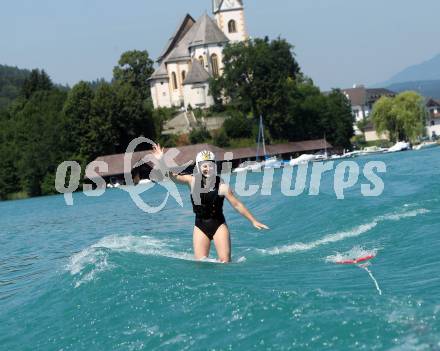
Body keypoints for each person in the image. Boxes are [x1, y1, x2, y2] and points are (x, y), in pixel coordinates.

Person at [152, 144, 269, 263]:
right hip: (200, 226)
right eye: (204, 166)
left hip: (218, 225)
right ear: (198, 167)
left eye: (211, 165)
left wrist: (253, 220)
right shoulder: (191, 181)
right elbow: (171, 177)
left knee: (225, 261)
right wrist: (162, 161)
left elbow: (237, 205)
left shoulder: (222, 186)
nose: (207, 168)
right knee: (200, 262)